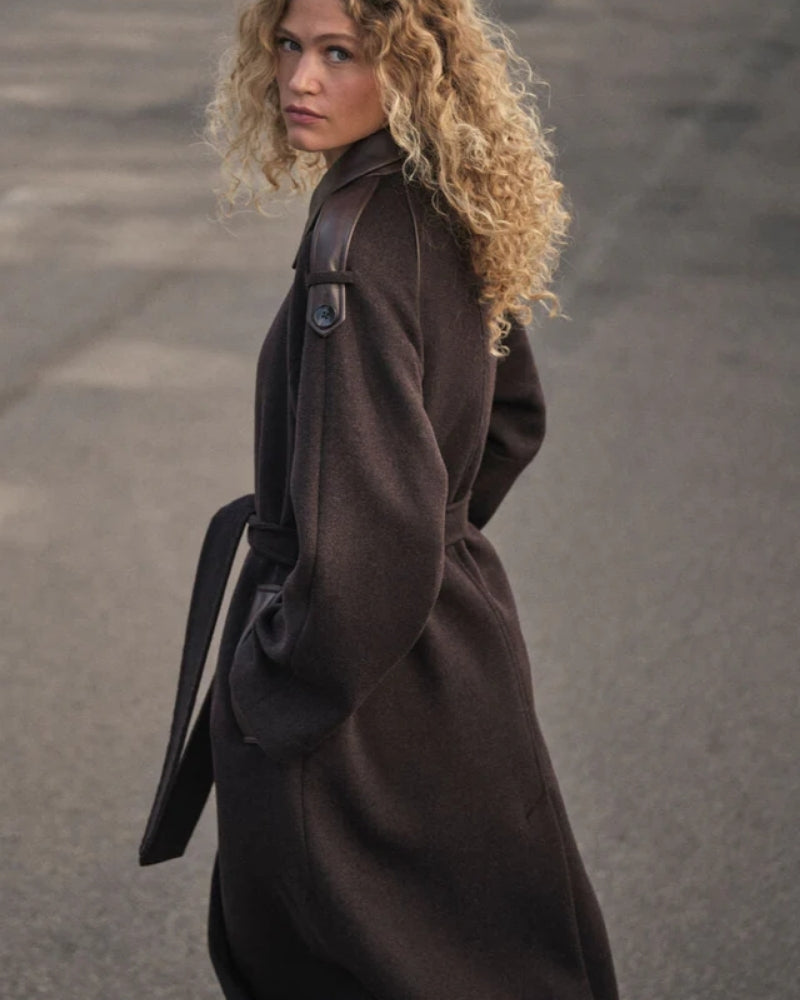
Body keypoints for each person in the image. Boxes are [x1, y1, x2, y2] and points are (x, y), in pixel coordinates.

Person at [140, 0, 620, 998]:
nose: (298, 79)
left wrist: (277, 683)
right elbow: (509, 422)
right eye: (287, 46)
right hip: (453, 658)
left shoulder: (349, 252)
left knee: (322, 958)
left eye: (338, 54)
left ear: (406, 70)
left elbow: (384, 529)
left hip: (350, 694)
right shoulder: (437, 201)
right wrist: (430, 567)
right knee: (490, 947)